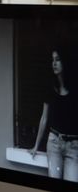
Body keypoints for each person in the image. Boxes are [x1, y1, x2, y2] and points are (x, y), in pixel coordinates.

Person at [30, 50, 78, 182]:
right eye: (52, 60)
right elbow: (44, 118)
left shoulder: (75, 89)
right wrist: (36, 146)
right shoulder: (50, 87)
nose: (54, 63)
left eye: (57, 59)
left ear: (65, 62)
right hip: (54, 143)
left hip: (73, 147)